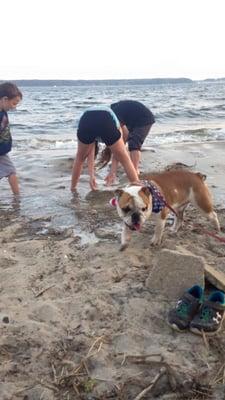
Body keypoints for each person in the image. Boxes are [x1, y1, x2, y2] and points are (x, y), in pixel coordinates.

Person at [71, 106, 139, 191]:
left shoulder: (88, 115)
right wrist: (111, 172)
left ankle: (73, 189)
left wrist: (92, 176)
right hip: (106, 118)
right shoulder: (119, 126)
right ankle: (138, 188)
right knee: (125, 159)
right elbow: (117, 155)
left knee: (80, 158)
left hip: (86, 120)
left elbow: (89, 152)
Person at [103, 100, 155, 185]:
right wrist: (112, 172)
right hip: (134, 119)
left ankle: (134, 171)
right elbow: (119, 147)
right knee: (123, 146)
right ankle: (131, 170)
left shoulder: (115, 118)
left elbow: (118, 145)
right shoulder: (115, 114)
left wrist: (112, 172)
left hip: (144, 119)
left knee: (134, 144)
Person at [0, 82, 22, 195]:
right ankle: (17, 198)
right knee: (11, 171)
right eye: (14, 103)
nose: (14, 107)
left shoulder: (3, 112)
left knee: (10, 171)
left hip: (2, 151)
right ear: (4, 99)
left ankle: (17, 197)